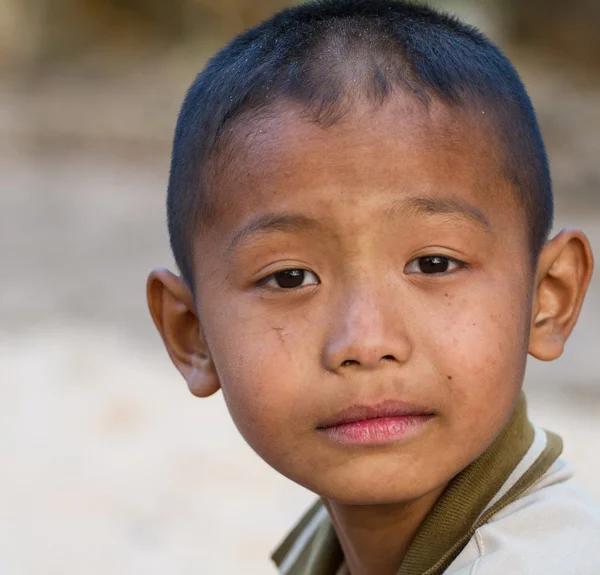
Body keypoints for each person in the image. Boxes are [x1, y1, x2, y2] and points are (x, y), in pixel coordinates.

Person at [146, 1, 599, 573]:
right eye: (290, 278)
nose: (365, 341)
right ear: (193, 334)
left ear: (548, 298)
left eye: (434, 264)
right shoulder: (335, 540)